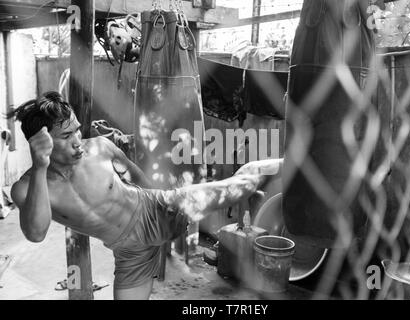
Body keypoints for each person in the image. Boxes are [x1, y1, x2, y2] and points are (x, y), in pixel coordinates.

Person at [6, 91, 283, 300]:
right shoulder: (27, 187)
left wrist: (168, 203)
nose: (78, 141)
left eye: (77, 129)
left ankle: (275, 165)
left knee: (242, 187)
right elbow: (36, 233)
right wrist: (41, 166)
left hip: (157, 208)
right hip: (129, 251)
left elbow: (138, 178)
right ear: (39, 143)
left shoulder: (100, 147)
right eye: (66, 136)